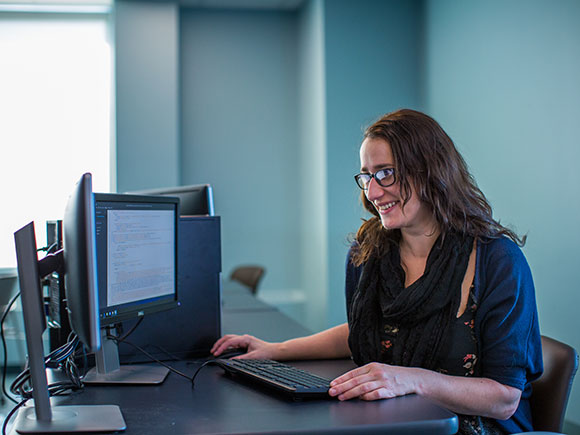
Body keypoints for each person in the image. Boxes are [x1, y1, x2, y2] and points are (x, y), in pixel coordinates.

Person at [212, 109, 543, 434]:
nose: (372, 192)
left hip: (471, 427)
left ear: (430, 171)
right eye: (367, 176)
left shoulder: (496, 259)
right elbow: (367, 329)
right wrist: (276, 350)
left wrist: (411, 379)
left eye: (385, 173)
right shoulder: (367, 252)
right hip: (396, 421)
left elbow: (504, 399)